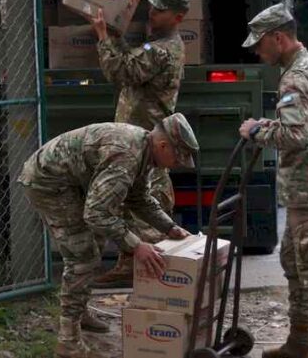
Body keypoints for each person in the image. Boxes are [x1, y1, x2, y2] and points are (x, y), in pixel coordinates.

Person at [18, 113, 198, 358]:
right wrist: (136, 246)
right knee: (82, 257)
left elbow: (139, 198)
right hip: (50, 185)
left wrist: (169, 227)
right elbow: (97, 214)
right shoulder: (126, 155)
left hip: (74, 183)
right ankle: (68, 341)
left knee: (97, 242)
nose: (178, 163)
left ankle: (79, 311)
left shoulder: (144, 150)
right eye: (179, 156)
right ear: (163, 145)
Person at [238, 2, 308, 358]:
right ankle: (300, 343)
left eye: (260, 43)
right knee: (294, 263)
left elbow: (295, 135)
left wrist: (256, 131)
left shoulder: (296, 77)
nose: (257, 51)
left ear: (279, 38)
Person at [89, 0, 194, 288]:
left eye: (160, 10)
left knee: (145, 207)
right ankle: (133, 267)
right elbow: (131, 65)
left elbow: (120, 72)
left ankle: (146, 275)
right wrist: (118, 38)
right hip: (142, 139)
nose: (153, 12)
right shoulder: (157, 45)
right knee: (134, 203)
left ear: (178, 17)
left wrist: (103, 37)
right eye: (154, 7)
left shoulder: (161, 49)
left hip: (150, 143)